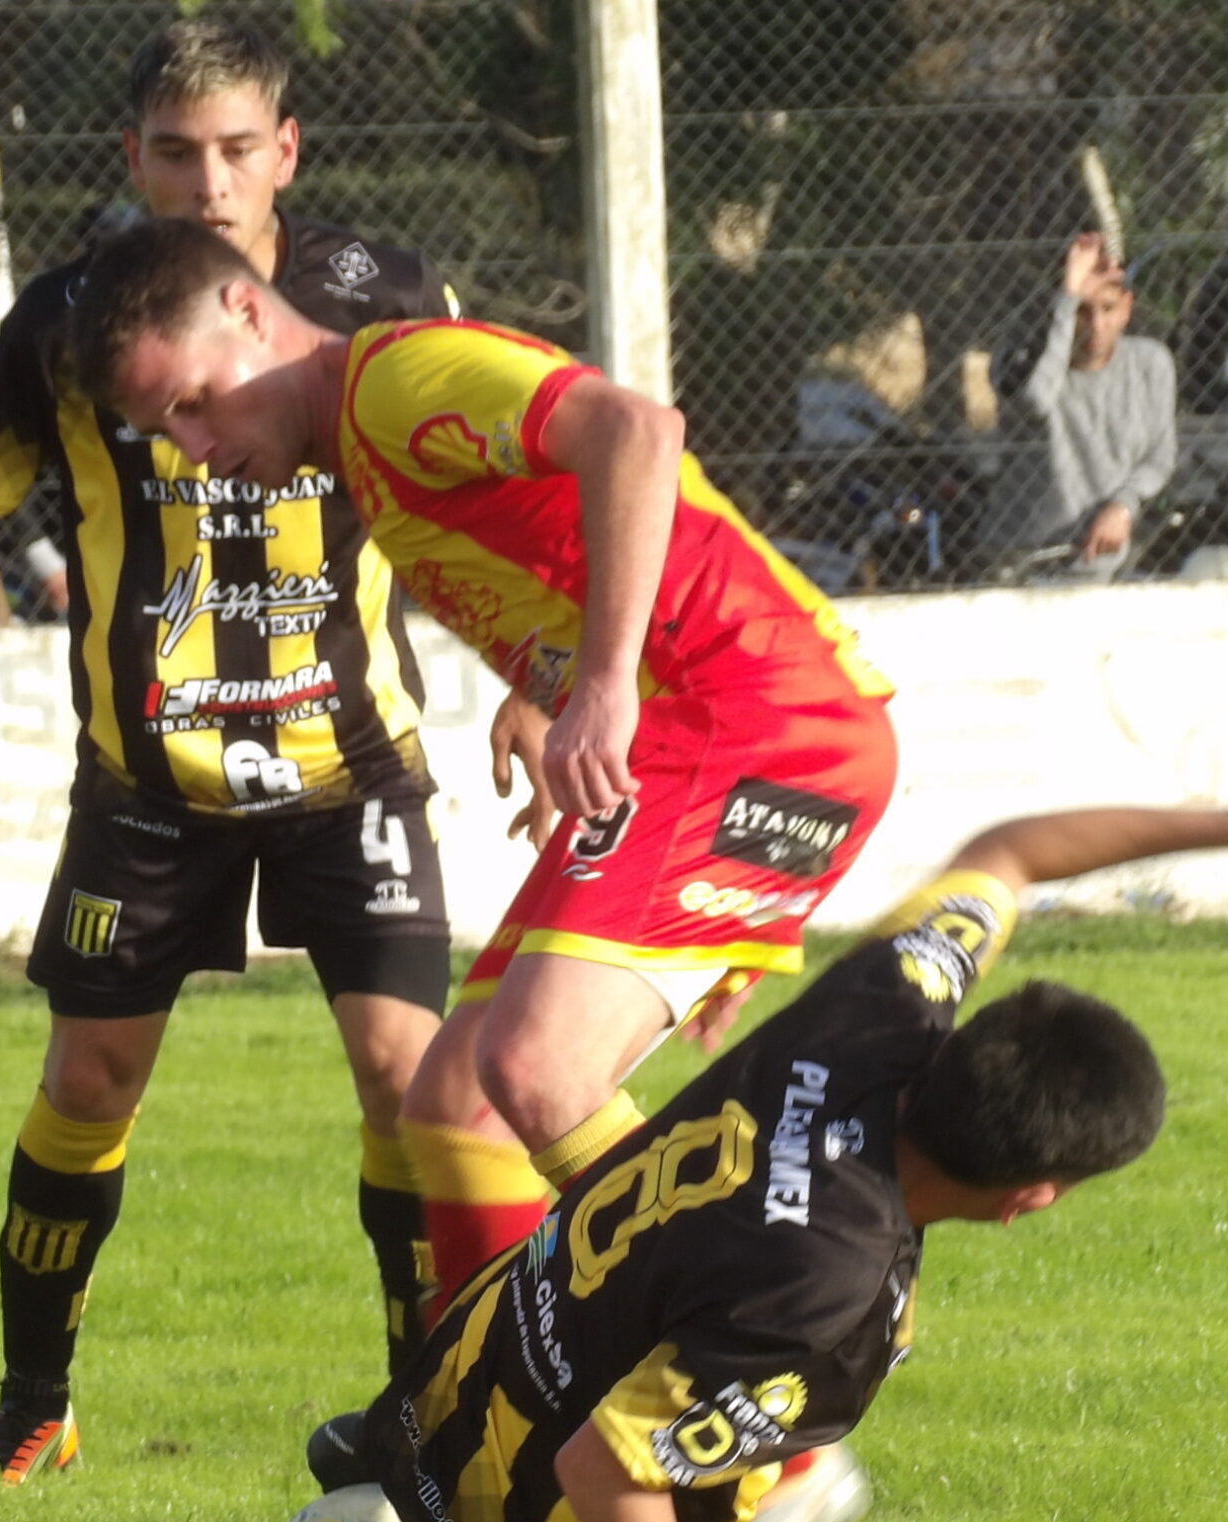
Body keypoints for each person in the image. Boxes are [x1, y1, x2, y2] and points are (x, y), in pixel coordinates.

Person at [315, 781, 1228, 1522]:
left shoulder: (885, 1001)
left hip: (423, 1422)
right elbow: (604, 1473)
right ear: (1032, 1197)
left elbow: (1011, 848)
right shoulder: (832, 1293)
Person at [67, 217, 898, 1324]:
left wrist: (602, 685)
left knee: (536, 1072)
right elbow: (561, 537)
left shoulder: (390, 381)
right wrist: (559, 696)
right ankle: (477, 1414)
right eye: (162, 430)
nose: (193, 448)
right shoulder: (364, 443)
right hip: (713, 744)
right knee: (454, 1110)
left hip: (753, 723)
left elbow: (635, 431)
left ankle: (764, 1357)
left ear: (249, 310)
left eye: (193, 402)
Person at [0, 21, 462, 1484]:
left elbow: (471, 484)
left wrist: (545, 669)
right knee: (89, 1082)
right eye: (179, 152)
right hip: (149, 782)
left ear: (287, 151)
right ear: (131, 157)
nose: (211, 182)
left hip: (348, 764)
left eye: (239, 149)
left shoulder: (382, 296)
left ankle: (431, 1419)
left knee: (405, 1077)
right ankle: (33, 1405)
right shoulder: (64, 324)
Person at [977, 232, 1176, 579]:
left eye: (1108, 308)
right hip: (1025, 563)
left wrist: (1122, 507)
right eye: (1082, 311)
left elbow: (1160, 458)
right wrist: (1068, 296)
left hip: (1109, 561)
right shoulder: (1019, 363)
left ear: (1127, 308)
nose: (1096, 326)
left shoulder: (1151, 363)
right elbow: (1036, 400)